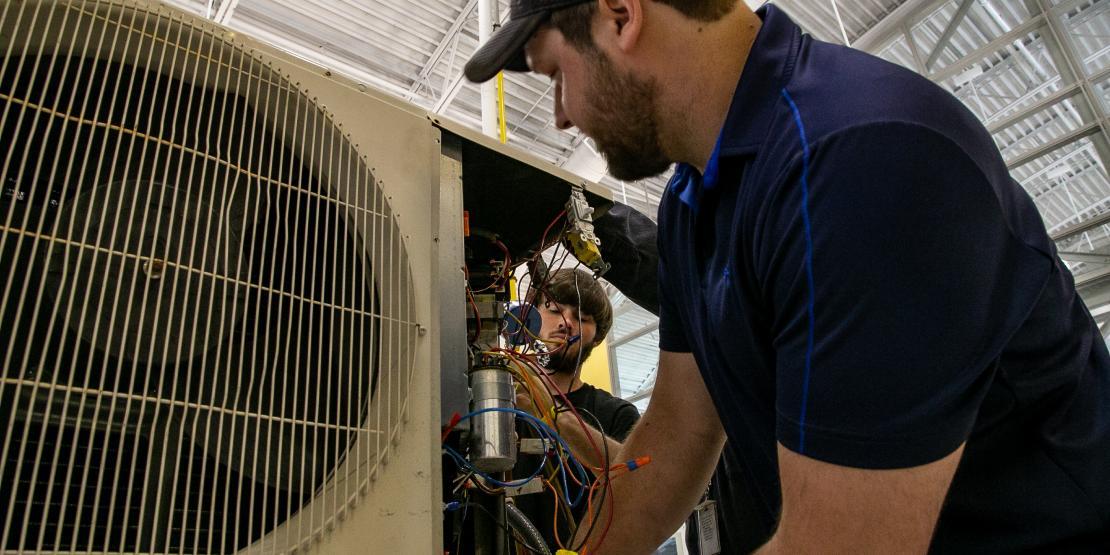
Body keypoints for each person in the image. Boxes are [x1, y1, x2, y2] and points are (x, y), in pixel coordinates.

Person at [464, 1, 1110, 553]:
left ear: (621, 15)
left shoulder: (862, 161)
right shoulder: (694, 204)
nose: (561, 115)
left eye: (556, 75)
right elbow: (674, 440)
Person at [512, 267, 640, 551]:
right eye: (554, 310)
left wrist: (554, 414)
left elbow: (636, 483)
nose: (566, 323)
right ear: (529, 317)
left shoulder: (617, 414)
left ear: (596, 337)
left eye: (581, 318)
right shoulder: (493, 401)